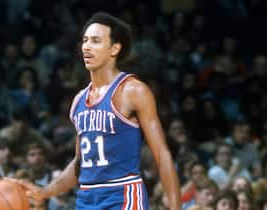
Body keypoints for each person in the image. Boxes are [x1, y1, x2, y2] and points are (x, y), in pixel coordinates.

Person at [10, 12, 181, 209]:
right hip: (86, 199)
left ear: (114, 49)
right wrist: (45, 191)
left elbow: (162, 155)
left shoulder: (133, 90)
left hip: (122, 195)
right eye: (85, 40)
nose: (87, 47)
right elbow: (79, 164)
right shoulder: (78, 101)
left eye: (96, 41)